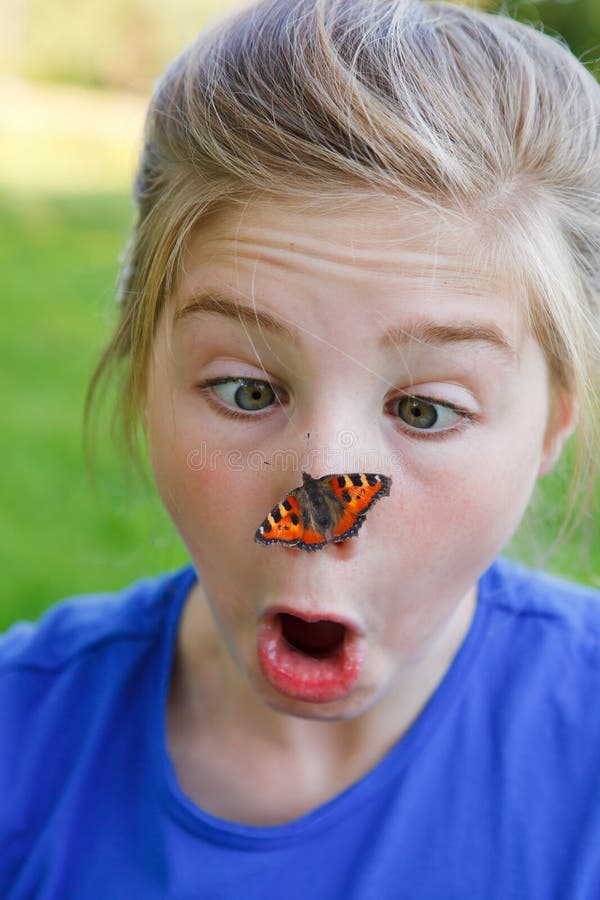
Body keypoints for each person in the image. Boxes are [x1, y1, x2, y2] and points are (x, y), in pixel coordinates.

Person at [2, 0, 600, 896]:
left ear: (552, 424)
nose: (319, 511)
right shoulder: (21, 743)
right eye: (247, 391)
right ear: (142, 380)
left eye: (426, 411)